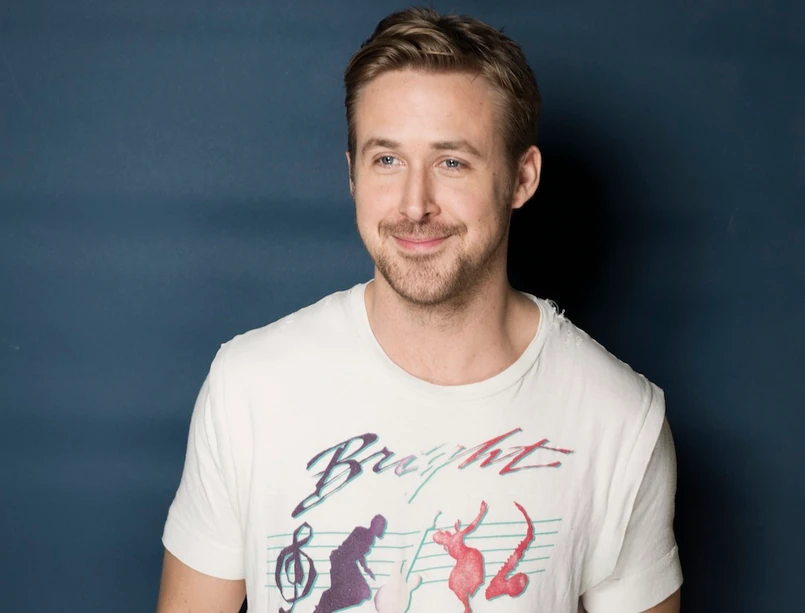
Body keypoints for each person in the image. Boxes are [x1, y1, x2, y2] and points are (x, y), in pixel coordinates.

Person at [155, 7, 682, 613]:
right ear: (352, 174)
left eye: (451, 162)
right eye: (387, 160)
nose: (414, 204)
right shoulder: (248, 387)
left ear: (522, 177)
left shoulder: (620, 421)